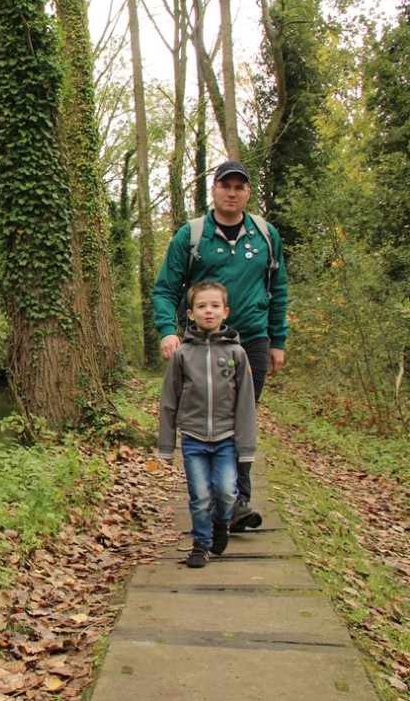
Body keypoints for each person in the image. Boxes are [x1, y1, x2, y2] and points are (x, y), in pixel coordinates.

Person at [152, 159, 288, 532]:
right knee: (205, 418)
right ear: (213, 190)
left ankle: (237, 501)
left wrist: (278, 339)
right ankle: (216, 495)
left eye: (239, 186)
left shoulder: (265, 235)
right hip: (200, 345)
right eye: (225, 185)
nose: (232, 192)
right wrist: (168, 329)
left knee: (240, 417)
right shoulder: (192, 235)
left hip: (252, 341)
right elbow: (166, 288)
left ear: (247, 193)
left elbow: (278, 290)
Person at [158, 280, 258, 568]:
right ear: (191, 314)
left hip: (227, 438)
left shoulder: (236, 354)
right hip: (193, 438)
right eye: (202, 306)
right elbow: (169, 401)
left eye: (215, 306)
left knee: (226, 491)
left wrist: (246, 446)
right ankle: (200, 544)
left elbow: (245, 403)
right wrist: (166, 447)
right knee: (200, 495)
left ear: (225, 312)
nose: (209, 312)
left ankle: (220, 524)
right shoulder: (182, 355)